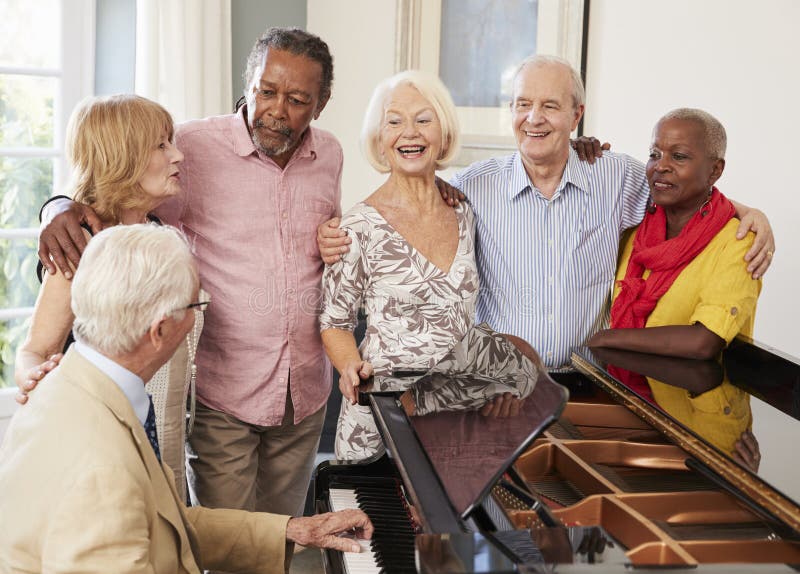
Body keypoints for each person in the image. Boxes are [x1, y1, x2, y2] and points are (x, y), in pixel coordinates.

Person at [36, 28, 340, 517]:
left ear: (320, 105)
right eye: (266, 92)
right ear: (249, 84)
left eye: (298, 99)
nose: (277, 110)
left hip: (304, 393)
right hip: (224, 394)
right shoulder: (194, 148)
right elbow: (111, 187)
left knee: (283, 538)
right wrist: (57, 207)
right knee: (223, 546)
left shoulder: (331, 155)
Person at [318, 55, 775, 373]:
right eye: (523, 105)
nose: (534, 118)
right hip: (499, 390)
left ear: (577, 115)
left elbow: (681, 191)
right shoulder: (470, 186)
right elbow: (403, 202)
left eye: (550, 106)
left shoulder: (616, 177)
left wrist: (748, 211)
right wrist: (335, 233)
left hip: (590, 386)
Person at [0, 224, 372, 573]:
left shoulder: (69, 385)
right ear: (159, 330)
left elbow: (167, 523)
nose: (199, 317)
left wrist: (293, 531)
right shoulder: (100, 475)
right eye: (195, 306)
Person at [319, 70, 541, 460]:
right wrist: (350, 366)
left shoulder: (464, 211)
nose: (410, 133)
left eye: (424, 120)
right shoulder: (357, 227)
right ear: (379, 138)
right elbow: (334, 323)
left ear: (443, 133)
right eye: (394, 121)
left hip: (459, 419)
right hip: (384, 417)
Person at [15, 94, 199, 500]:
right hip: (98, 445)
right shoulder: (80, 245)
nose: (179, 156)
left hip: (164, 442)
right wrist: (34, 377)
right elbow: (34, 350)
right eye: (161, 145)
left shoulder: (160, 232)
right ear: (124, 157)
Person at [587, 108, 761, 456]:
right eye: (654, 154)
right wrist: (580, 150)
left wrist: (605, 339)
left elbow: (703, 342)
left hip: (702, 425)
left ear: (715, 170)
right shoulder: (635, 229)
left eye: (678, 156)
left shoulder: (738, 242)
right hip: (631, 407)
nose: (660, 165)